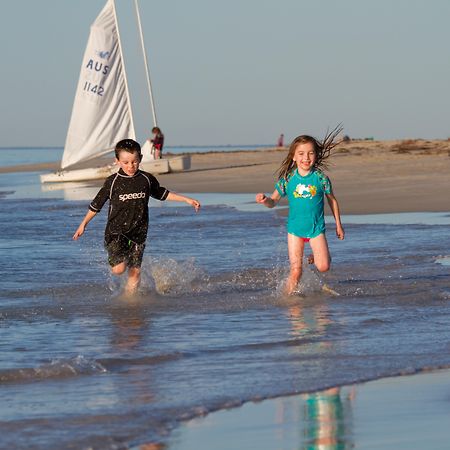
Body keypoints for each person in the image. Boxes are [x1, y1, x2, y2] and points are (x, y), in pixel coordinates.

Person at [73, 139, 200, 294]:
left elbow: (161, 194)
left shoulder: (146, 179)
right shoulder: (113, 182)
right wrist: (83, 224)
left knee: (135, 273)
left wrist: (186, 199)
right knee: (119, 270)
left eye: (134, 161)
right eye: (125, 162)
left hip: (139, 232)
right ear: (117, 161)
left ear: (140, 158)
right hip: (115, 233)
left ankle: (130, 303)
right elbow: (96, 204)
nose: (130, 166)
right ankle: (120, 262)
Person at [256, 128, 344, 295]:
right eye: (301, 154)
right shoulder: (288, 179)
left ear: (316, 156)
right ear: (294, 157)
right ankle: (289, 302)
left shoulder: (320, 178)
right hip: (295, 230)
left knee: (323, 266)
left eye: (311, 153)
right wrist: (265, 200)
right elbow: (273, 202)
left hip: (316, 229)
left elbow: (332, 200)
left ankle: (315, 258)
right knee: (296, 271)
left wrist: (339, 225)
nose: (306, 158)